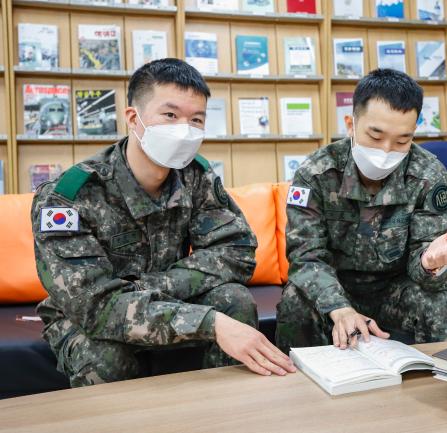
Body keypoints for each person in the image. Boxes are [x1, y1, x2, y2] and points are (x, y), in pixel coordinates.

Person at [32, 58, 295, 387]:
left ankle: (226, 414)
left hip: (169, 300)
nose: (184, 129)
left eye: (196, 119)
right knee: (109, 359)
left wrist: (151, 287)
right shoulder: (68, 196)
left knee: (235, 300)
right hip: (89, 318)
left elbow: (236, 251)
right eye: (170, 115)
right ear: (134, 118)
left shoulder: (195, 176)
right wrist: (209, 323)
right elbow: (96, 307)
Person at [276, 68, 447, 353]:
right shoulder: (316, 172)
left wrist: (430, 263)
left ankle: (444, 388)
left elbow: (431, 266)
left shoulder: (429, 175)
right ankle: (295, 388)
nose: (387, 150)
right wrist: (339, 308)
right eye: (375, 136)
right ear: (351, 124)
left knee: (437, 304)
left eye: (402, 140)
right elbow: (306, 256)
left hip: (394, 290)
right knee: (295, 299)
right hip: (336, 287)